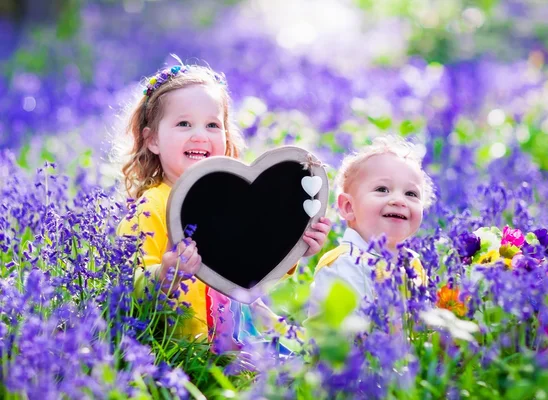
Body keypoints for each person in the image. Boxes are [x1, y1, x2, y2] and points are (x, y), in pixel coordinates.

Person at [116, 58, 331, 350]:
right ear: (152, 140)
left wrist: (297, 246)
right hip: (191, 349)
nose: (200, 135)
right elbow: (128, 285)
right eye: (183, 123)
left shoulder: (231, 199)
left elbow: (254, 258)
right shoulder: (149, 207)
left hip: (245, 331)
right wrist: (164, 274)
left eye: (212, 125)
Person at [311, 136, 435, 311]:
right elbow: (340, 334)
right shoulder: (343, 264)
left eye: (411, 194)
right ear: (348, 207)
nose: (399, 200)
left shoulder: (413, 264)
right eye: (382, 189)